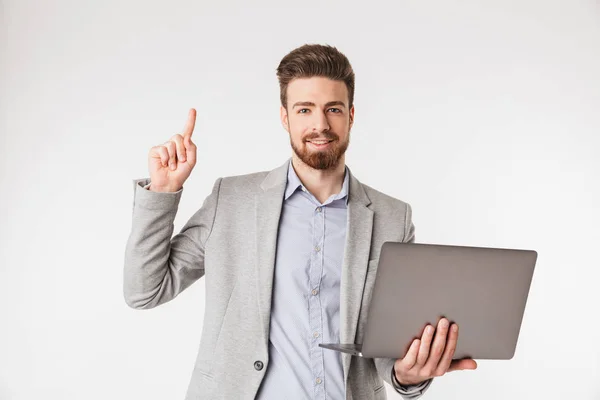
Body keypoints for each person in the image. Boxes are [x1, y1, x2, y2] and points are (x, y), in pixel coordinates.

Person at [123, 44, 477, 400]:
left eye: (333, 109)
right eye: (304, 109)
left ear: (351, 115)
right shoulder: (231, 200)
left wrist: (406, 373)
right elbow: (145, 290)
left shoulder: (392, 218)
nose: (320, 125)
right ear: (285, 117)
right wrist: (163, 192)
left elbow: (385, 341)